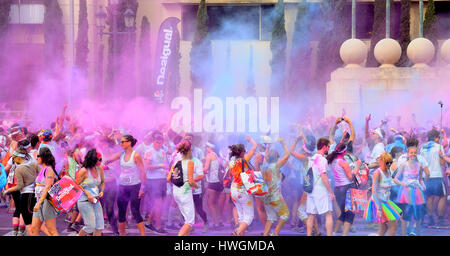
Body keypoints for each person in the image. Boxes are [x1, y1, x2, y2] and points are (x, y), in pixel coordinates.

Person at [105, 134, 146, 236]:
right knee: (122, 210)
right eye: (120, 142)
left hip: (135, 186)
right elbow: (108, 160)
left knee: (135, 211)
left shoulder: (136, 156)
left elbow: (142, 172)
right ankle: (122, 234)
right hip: (123, 186)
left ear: (129, 143)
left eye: (122, 142)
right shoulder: (121, 154)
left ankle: (143, 234)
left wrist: (142, 188)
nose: (121, 143)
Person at [326, 141, 361, 236]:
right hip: (347, 188)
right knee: (349, 213)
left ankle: (334, 233)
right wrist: (357, 167)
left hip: (338, 189)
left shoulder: (333, 161)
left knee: (342, 213)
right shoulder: (343, 163)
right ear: (344, 152)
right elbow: (350, 177)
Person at [395, 142, 429, 236]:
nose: (413, 154)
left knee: (418, 216)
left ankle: (417, 233)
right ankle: (404, 234)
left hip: (417, 192)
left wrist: (423, 185)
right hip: (406, 192)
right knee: (405, 216)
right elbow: (395, 179)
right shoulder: (404, 165)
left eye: (414, 152)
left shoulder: (419, 166)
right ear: (407, 153)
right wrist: (404, 183)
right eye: (411, 152)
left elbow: (420, 179)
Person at [2, 147, 38, 236]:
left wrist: (7, 186)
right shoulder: (30, 160)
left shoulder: (14, 160)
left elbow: (6, 169)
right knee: (23, 210)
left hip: (15, 186)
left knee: (18, 208)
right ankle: (21, 231)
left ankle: (15, 231)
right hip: (25, 189)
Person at [364, 152, 402, 236]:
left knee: (383, 228)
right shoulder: (377, 173)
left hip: (386, 201)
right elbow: (374, 191)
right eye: (387, 162)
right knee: (393, 226)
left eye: (390, 162)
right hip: (379, 203)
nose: (389, 164)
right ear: (381, 161)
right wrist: (378, 208)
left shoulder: (388, 171)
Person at [167, 139, 199, 236]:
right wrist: (196, 185)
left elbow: (168, 178)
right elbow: (191, 181)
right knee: (190, 221)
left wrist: (178, 178)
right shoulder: (190, 162)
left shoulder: (175, 163)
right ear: (189, 150)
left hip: (176, 192)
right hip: (185, 194)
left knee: (186, 220)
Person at [419, 129, 450, 228]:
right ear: (436, 137)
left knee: (429, 197)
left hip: (426, 176)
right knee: (442, 196)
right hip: (437, 175)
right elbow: (442, 162)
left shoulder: (422, 147)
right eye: (439, 137)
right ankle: (440, 220)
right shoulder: (439, 147)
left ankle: (430, 219)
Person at [228, 136, 257, 236]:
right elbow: (254, 147)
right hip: (243, 190)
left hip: (234, 189)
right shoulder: (244, 160)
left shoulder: (231, 162)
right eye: (244, 151)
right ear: (241, 153)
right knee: (249, 216)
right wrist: (251, 140)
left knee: (241, 218)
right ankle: (237, 232)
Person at [261, 137, 290, 236]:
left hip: (266, 197)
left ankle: (265, 235)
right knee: (285, 214)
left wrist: (267, 147)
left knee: (271, 218)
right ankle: (275, 233)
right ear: (277, 157)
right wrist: (283, 143)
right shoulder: (276, 166)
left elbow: (265, 157)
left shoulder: (264, 166)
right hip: (275, 196)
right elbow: (287, 155)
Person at [306, 137, 335, 236]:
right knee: (328, 213)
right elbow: (324, 176)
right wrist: (331, 192)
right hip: (321, 190)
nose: (329, 149)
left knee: (311, 215)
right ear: (324, 147)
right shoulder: (322, 160)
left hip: (311, 190)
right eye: (328, 147)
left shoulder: (311, 158)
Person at [143, 131, 169, 234]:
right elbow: (147, 167)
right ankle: (158, 227)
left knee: (159, 203)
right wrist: (161, 166)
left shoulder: (162, 151)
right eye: (157, 142)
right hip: (153, 181)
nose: (159, 144)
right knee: (158, 204)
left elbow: (164, 164)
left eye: (160, 142)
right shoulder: (149, 152)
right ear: (153, 142)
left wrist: (167, 171)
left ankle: (149, 223)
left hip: (162, 179)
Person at [75, 149, 105, 236]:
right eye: (99, 159)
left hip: (95, 200)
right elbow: (76, 185)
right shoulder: (84, 171)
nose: (100, 161)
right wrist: (88, 194)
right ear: (93, 159)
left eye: (101, 159)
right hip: (84, 201)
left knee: (99, 226)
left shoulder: (100, 169)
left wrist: (102, 191)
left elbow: (102, 182)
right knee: (90, 226)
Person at [31, 147, 59, 236]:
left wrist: (39, 203)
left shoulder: (49, 169)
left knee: (51, 230)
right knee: (34, 228)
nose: (37, 158)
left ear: (43, 157)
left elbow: (47, 187)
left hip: (46, 201)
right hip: (39, 200)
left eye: (38, 156)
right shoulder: (42, 169)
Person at [204, 141, 224, 230]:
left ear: (209, 147)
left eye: (206, 147)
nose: (205, 148)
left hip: (212, 182)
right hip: (218, 182)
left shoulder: (209, 155)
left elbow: (205, 169)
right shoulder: (216, 155)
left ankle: (216, 223)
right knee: (214, 203)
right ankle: (219, 221)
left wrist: (196, 170)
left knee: (210, 203)